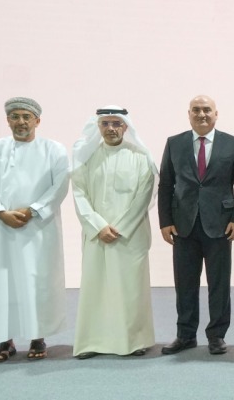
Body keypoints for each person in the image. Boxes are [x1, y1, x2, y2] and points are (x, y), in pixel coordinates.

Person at [0, 97, 69, 363]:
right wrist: (1, 212)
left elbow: (59, 185)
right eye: (15, 117)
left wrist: (32, 210)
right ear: (8, 120)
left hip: (38, 229)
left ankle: (38, 337)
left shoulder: (54, 149)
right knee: (1, 283)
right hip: (1, 230)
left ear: (37, 120)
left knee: (38, 281)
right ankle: (5, 340)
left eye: (26, 117)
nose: (21, 122)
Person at [157, 95, 234, 356]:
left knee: (219, 283)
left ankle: (217, 335)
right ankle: (185, 335)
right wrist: (165, 221)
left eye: (206, 110)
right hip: (183, 225)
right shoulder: (174, 143)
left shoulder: (232, 144)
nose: (201, 114)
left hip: (220, 224)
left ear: (216, 113)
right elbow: (166, 184)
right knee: (184, 283)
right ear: (188, 114)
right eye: (196, 110)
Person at [70, 106, 156, 358]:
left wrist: (120, 228)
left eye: (116, 124)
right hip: (97, 236)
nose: (111, 129)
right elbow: (79, 193)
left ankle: (134, 341)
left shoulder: (141, 157)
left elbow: (144, 195)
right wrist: (98, 226)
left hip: (130, 236)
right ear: (98, 127)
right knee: (96, 289)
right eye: (105, 124)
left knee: (131, 290)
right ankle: (91, 343)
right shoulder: (86, 158)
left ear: (125, 127)